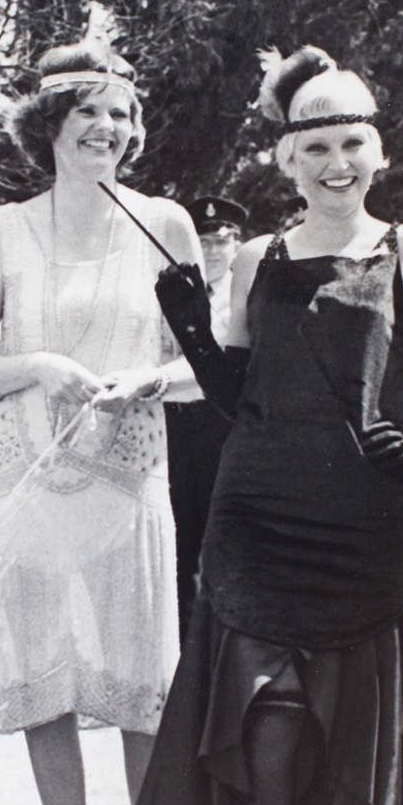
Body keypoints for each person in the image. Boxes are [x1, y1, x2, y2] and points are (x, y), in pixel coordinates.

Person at [126, 45, 403, 805]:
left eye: (353, 143)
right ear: (286, 159)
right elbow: (242, 390)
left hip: (364, 516)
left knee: (327, 716)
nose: (336, 164)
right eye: (315, 146)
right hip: (260, 507)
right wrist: (194, 333)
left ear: (379, 150)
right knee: (265, 707)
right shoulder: (257, 256)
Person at [0, 41, 204, 805]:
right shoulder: (2, 231)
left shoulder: (164, 224)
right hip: (24, 477)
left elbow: (207, 370)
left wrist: (144, 379)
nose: (109, 128)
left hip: (129, 474)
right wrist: (38, 365)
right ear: (49, 129)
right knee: (41, 682)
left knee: (142, 681)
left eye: (122, 113)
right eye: (88, 112)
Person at [167, 196, 247, 639]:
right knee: (180, 549)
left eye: (222, 240)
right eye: (203, 241)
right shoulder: (176, 294)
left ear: (236, 244)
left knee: (226, 548)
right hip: (177, 430)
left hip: (227, 432)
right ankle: (183, 653)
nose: (213, 250)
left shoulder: (247, 295)